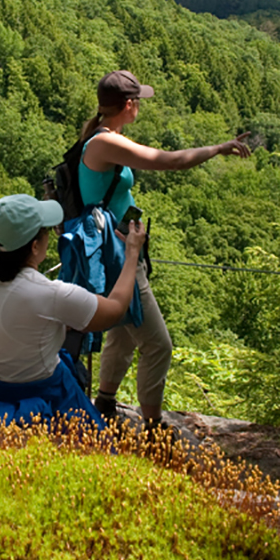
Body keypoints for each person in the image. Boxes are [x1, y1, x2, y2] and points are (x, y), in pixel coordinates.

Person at [80, 70, 249, 429]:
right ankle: (154, 426)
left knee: (124, 332)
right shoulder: (104, 142)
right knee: (158, 344)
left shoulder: (103, 137)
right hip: (118, 258)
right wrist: (219, 148)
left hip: (122, 251)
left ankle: (105, 403)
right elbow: (169, 160)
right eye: (138, 100)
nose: (140, 105)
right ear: (129, 105)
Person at [0, 193, 146, 428]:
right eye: (45, 231)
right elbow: (116, 309)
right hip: (39, 394)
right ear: (35, 246)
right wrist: (131, 254)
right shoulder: (52, 295)